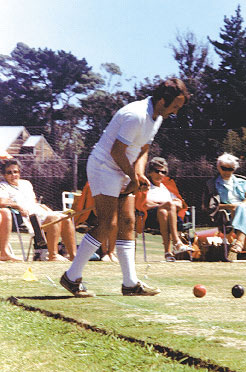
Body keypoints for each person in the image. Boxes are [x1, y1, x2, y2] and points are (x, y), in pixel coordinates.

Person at [60, 78, 189, 297]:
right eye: (175, 106)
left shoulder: (156, 118)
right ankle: (71, 277)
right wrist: (132, 176)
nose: (175, 112)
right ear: (161, 100)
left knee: (128, 221)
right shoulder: (135, 115)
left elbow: (144, 148)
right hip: (104, 167)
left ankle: (130, 283)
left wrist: (136, 174)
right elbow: (116, 152)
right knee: (107, 224)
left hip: (124, 168)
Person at [0, 159, 77, 261]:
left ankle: (73, 256)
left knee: (66, 219)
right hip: (29, 217)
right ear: (4, 175)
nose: (13, 175)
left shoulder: (26, 184)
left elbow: (33, 202)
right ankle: (53, 255)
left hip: (39, 211)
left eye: (15, 172)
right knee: (55, 217)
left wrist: (43, 206)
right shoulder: (3, 186)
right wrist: (17, 206)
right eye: (9, 173)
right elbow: (2, 202)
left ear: (19, 172)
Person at [203, 152, 246, 262]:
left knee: (244, 209)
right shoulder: (212, 184)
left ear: (234, 169)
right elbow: (210, 206)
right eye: (224, 168)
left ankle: (239, 242)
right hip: (228, 214)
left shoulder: (242, 181)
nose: (227, 172)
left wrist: (240, 207)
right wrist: (230, 206)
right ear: (218, 167)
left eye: (230, 169)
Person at [135, 157, 190, 262]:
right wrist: (164, 203)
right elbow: (143, 204)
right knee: (166, 206)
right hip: (148, 217)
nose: (160, 174)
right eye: (157, 171)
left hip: (168, 217)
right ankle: (176, 242)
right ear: (150, 172)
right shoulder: (145, 185)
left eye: (163, 172)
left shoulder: (167, 186)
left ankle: (167, 253)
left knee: (163, 211)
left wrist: (162, 205)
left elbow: (179, 203)